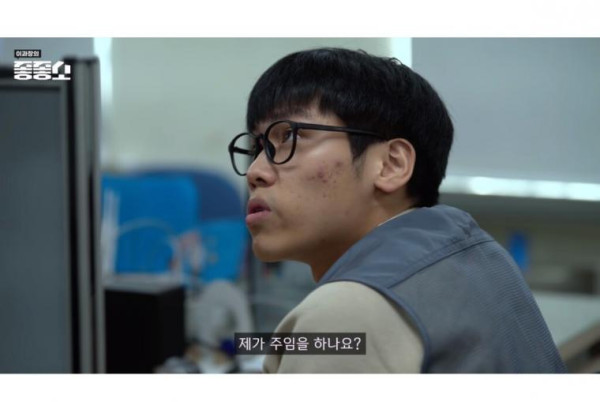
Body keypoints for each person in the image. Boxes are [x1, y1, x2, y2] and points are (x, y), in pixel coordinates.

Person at [227, 47, 566, 373]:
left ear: (391, 164)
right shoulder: (478, 256)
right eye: (258, 148)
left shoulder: (345, 313)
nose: (255, 172)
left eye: (289, 136)